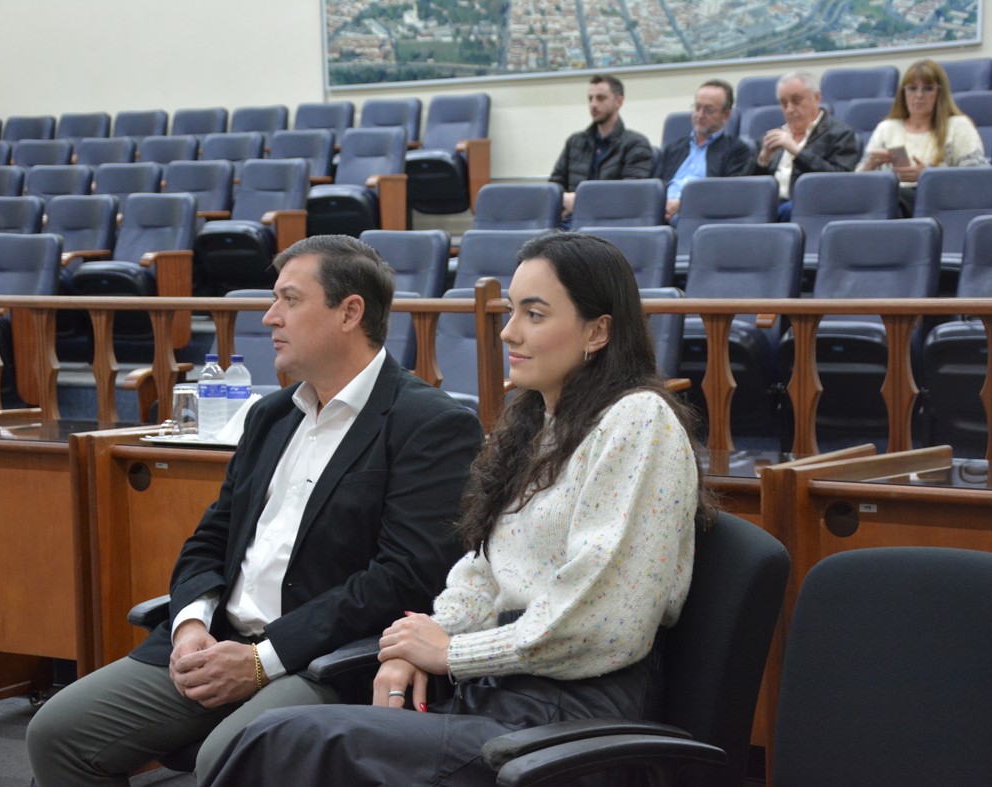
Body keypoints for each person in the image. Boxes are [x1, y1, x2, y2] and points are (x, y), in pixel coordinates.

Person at [202, 232, 714, 787]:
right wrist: (413, 648)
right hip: (499, 693)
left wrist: (450, 653)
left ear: (598, 331)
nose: (509, 331)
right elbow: (482, 573)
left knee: (285, 741)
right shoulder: (539, 426)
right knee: (280, 736)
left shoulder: (638, 420)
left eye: (534, 314)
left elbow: (602, 624)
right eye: (511, 311)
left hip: (571, 719)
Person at [25, 235, 484, 784]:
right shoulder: (271, 415)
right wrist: (190, 625)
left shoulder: (430, 424)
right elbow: (210, 539)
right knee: (58, 733)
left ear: (349, 313)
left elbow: (403, 579)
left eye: (289, 300)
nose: (269, 317)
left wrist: (263, 660)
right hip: (219, 640)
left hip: (324, 658)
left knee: (230, 754)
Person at [857, 58, 986, 216]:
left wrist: (928, 177)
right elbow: (858, 183)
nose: (919, 95)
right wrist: (870, 165)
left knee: (889, 200)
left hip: (937, 201)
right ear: (903, 93)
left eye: (928, 89)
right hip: (889, 199)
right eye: (912, 88)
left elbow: (977, 178)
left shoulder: (959, 125)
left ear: (940, 94)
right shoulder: (887, 127)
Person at [549, 75, 655, 226]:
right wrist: (563, 199)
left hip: (611, 224)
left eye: (600, 98)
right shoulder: (575, 142)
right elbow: (554, 185)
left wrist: (579, 201)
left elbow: (630, 195)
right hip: (570, 222)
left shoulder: (636, 144)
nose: (593, 104)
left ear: (618, 101)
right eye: (590, 98)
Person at [756, 70, 860, 220]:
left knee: (786, 210)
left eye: (796, 101)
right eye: (784, 103)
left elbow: (840, 180)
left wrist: (797, 151)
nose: (789, 109)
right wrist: (763, 160)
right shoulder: (773, 137)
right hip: (769, 205)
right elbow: (750, 188)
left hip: (810, 206)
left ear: (816, 98)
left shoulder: (839, 133)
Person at [659, 78, 754, 221]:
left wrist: (682, 204)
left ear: (725, 115)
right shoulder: (673, 149)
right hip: (661, 212)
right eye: (697, 107)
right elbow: (655, 187)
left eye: (708, 110)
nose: (700, 115)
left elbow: (727, 195)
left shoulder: (736, 150)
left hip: (697, 216)